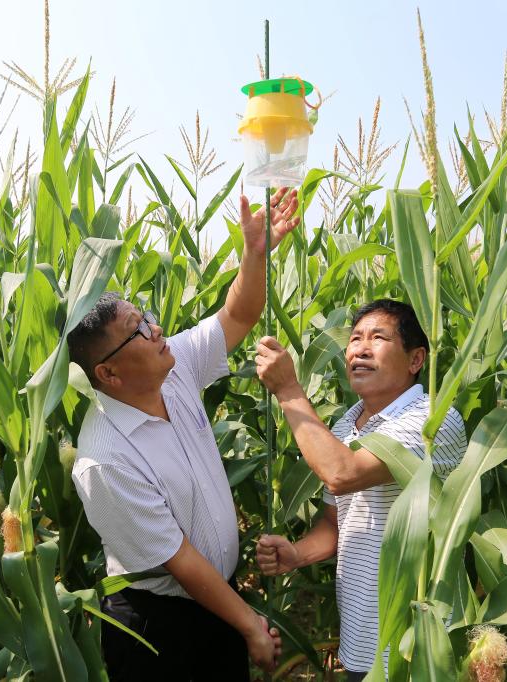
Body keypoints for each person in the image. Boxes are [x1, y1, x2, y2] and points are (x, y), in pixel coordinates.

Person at [68, 187, 299, 681]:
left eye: (146, 318)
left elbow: (239, 314)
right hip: (157, 625)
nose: (155, 330)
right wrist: (251, 627)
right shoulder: (106, 459)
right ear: (108, 374)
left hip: (218, 602)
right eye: (137, 330)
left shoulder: (171, 368)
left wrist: (254, 254)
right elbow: (180, 561)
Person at [253, 299, 467, 681]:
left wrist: (287, 388)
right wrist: (297, 554)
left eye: (378, 338)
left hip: (418, 647)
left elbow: (343, 474)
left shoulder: (432, 421)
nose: (360, 349)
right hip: (361, 642)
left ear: (416, 359)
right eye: (354, 339)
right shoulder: (344, 426)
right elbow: (336, 522)